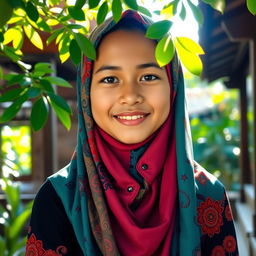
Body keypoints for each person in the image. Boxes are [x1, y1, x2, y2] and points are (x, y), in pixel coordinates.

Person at [25, 10, 239, 256]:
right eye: (109, 79)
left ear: (173, 87)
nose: (130, 95)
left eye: (148, 76)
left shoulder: (208, 196)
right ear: (87, 92)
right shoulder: (59, 199)